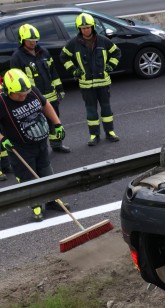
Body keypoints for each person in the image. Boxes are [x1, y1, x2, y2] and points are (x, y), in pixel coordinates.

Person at [0, 69, 67, 221]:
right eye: (19, 94)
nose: (24, 95)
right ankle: (35, 205)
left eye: (25, 92)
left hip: (41, 143)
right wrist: (2, 139)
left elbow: (45, 104)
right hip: (20, 148)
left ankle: (52, 201)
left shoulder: (32, 91)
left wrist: (57, 124)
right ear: (8, 90)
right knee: (27, 178)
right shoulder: (2, 102)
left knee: (46, 172)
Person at [60, 13, 121, 147]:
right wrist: (74, 70)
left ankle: (110, 132)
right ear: (79, 29)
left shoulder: (103, 40)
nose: (86, 30)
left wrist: (111, 65)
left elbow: (117, 52)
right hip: (86, 85)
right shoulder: (73, 43)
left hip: (103, 82)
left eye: (88, 27)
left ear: (92, 27)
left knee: (106, 109)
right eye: (83, 28)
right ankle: (94, 135)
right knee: (91, 110)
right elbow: (63, 56)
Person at [10, 23, 70, 154]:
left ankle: (56, 145)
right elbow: (15, 79)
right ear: (22, 40)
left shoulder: (44, 52)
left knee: (54, 120)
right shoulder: (17, 57)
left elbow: (53, 72)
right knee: (38, 124)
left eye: (35, 40)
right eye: (29, 41)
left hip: (51, 95)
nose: (33, 43)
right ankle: (41, 151)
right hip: (32, 97)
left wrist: (59, 88)